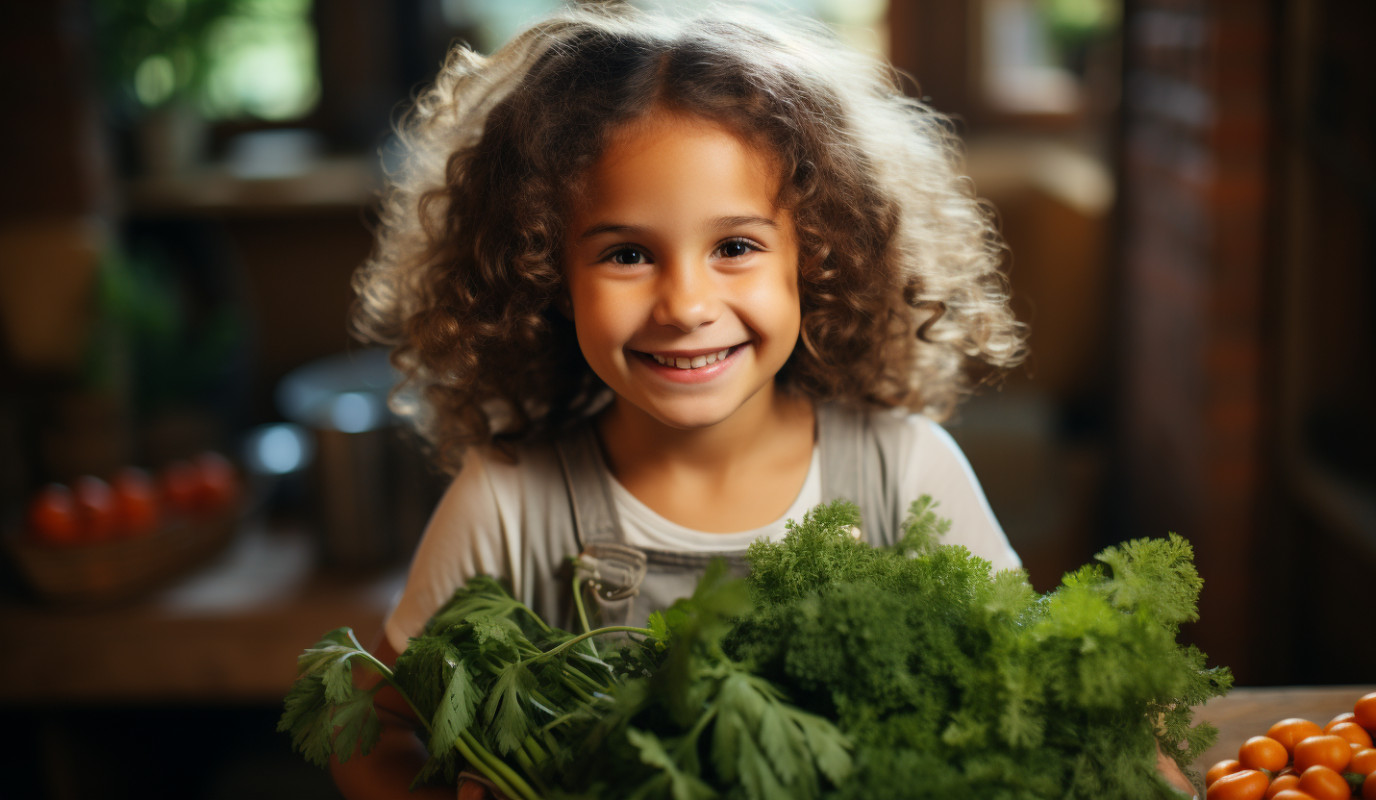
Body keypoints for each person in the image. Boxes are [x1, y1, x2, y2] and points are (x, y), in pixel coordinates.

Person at [330, 4, 1039, 798]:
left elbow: (1030, 686)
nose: (685, 305)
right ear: (545, 274)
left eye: (735, 247)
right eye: (628, 254)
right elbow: (371, 725)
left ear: (820, 256)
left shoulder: (903, 472)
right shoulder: (508, 502)